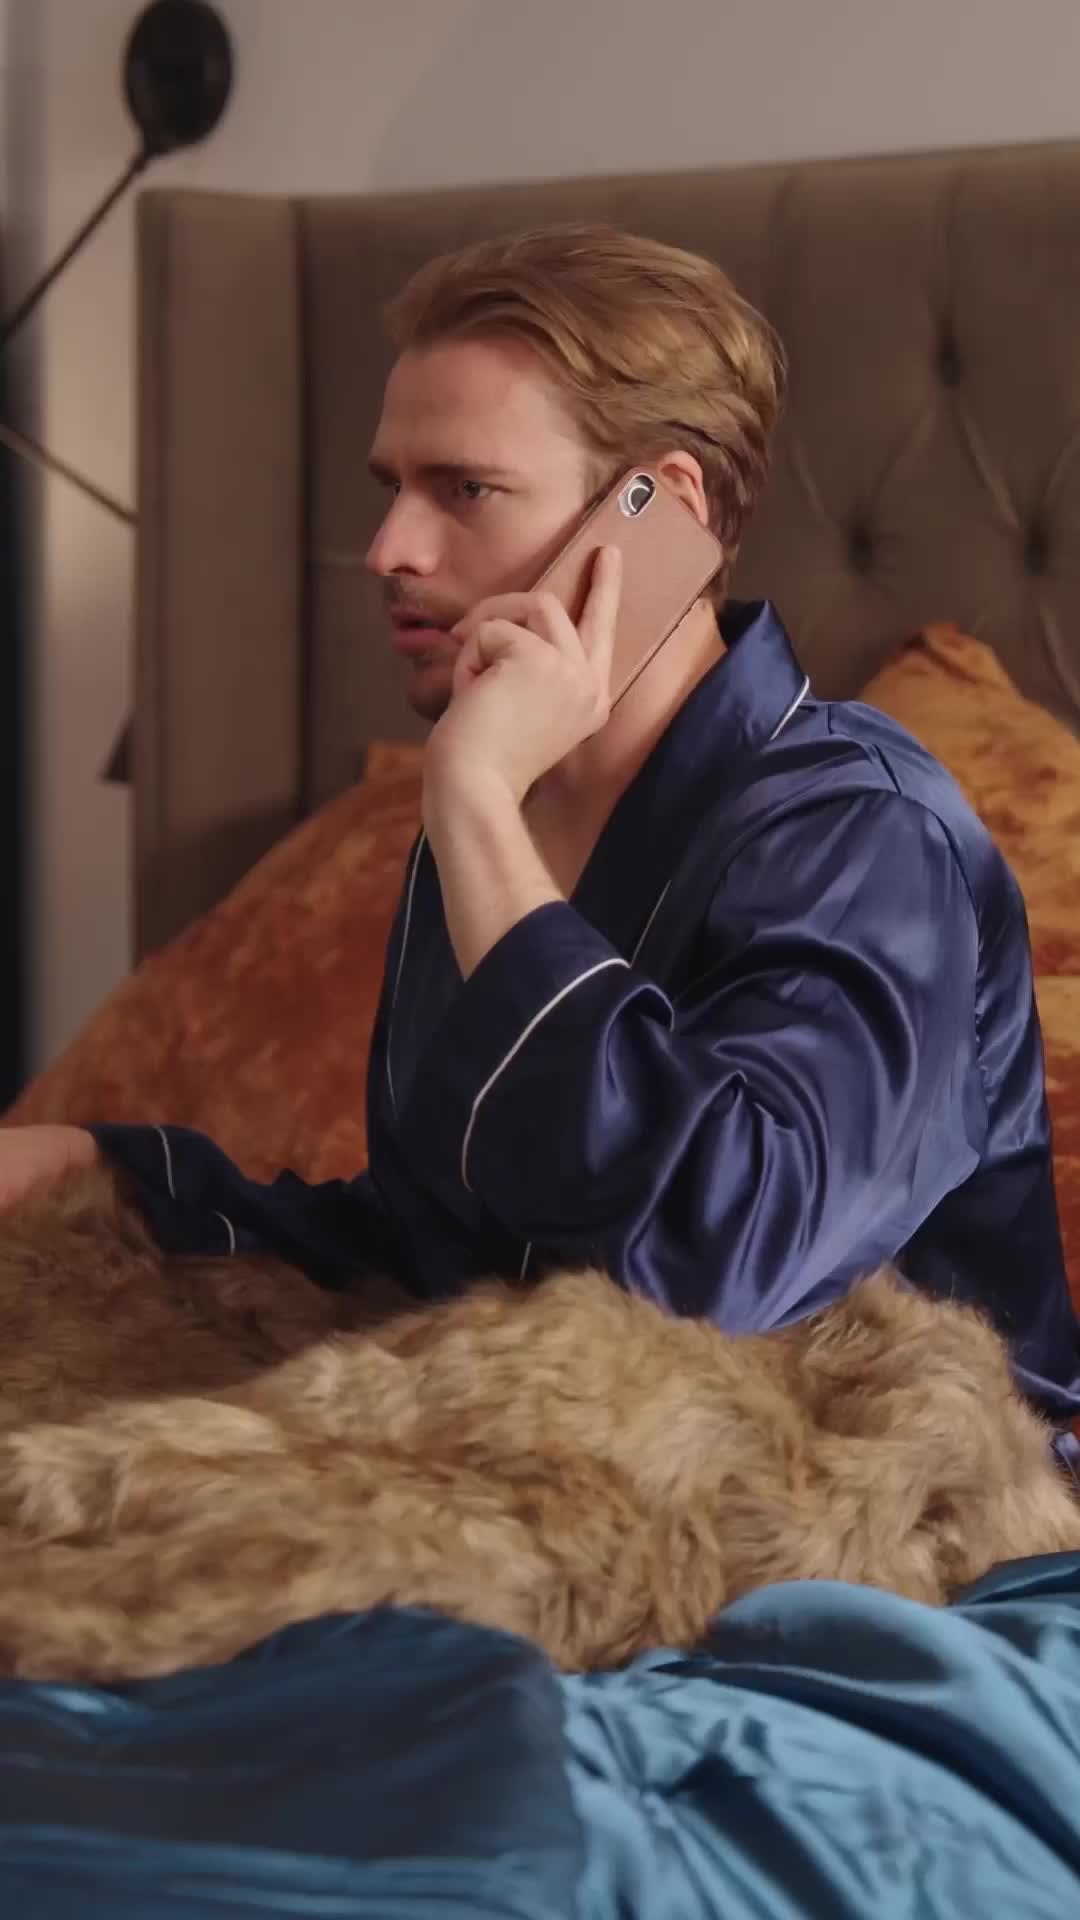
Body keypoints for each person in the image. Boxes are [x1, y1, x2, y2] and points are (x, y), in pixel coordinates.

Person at [3, 223, 1079, 1426]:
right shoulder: (505, 809)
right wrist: (107, 1177)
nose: (389, 550)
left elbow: (718, 1264)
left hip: (885, 1486)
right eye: (392, 490)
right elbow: (441, 1259)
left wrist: (469, 802)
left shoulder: (869, 837)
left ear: (660, 511)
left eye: (464, 489)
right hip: (554, 1455)